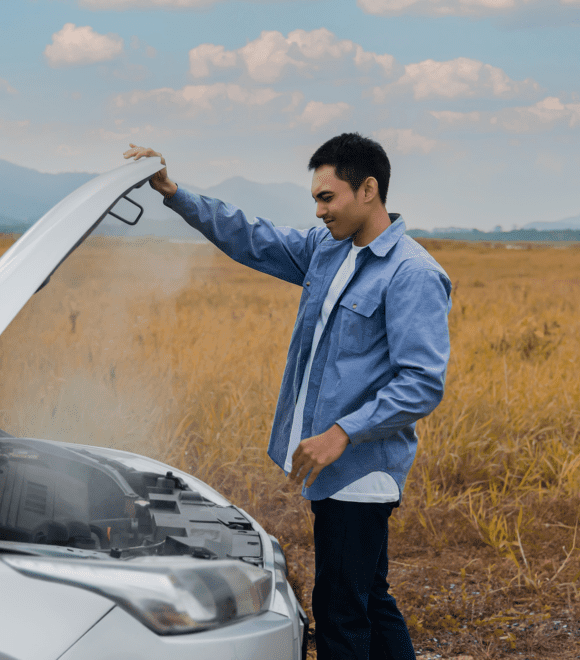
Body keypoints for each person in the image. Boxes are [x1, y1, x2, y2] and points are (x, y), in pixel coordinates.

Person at [124, 133, 451, 660]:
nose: (319, 211)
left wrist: (341, 433)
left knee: (342, 612)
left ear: (369, 190)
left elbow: (422, 383)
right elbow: (251, 236)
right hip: (334, 469)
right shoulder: (328, 250)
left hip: (361, 472)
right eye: (316, 199)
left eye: (328, 197)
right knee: (370, 597)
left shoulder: (412, 274)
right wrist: (174, 193)